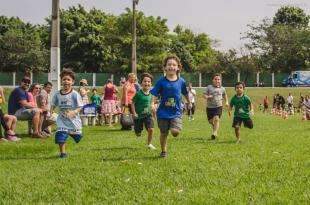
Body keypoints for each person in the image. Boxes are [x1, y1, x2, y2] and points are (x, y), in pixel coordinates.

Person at [150, 55, 191, 158]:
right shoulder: (161, 81)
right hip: (163, 112)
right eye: (169, 64)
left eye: (174, 65)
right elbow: (154, 94)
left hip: (176, 112)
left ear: (178, 67)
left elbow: (185, 93)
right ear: (165, 67)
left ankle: (174, 129)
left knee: (175, 132)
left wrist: (189, 102)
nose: (171, 66)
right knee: (163, 133)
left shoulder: (181, 81)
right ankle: (164, 151)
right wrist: (152, 104)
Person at [51, 69, 83, 158]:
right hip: (62, 119)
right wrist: (51, 112)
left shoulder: (75, 94)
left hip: (73, 120)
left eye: (68, 80)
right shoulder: (57, 94)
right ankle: (63, 153)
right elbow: (53, 104)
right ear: (61, 81)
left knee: (78, 137)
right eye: (64, 79)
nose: (66, 81)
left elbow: (80, 106)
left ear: (72, 82)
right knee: (60, 134)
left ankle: (72, 133)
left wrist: (74, 112)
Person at [131, 73, 156, 150]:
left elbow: (152, 103)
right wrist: (134, 113)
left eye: (149, 82)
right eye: (145, 81)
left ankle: (149, 144)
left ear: (151, 83)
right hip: (138, 116)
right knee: (138, 133)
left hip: (148, 115)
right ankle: (137, 131)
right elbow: (132, 103)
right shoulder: (138, 94)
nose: (147, 83)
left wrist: (153, 110)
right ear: (141, 83)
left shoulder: (151, 94)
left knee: (151, 129)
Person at [203, 73, 229, 140]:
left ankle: (214, 133)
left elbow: (225, 95)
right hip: (209, 108)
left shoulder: (222, 88)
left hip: (218, 107)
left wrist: (226, 102)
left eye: (218, 79)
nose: (217, 81)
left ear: (220, 80)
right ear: (213, 80)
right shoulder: (209, 87)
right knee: (211, 121)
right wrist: (208, 97)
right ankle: (215, 129)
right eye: (215, 79)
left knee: (217, 119)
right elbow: (204, 95)